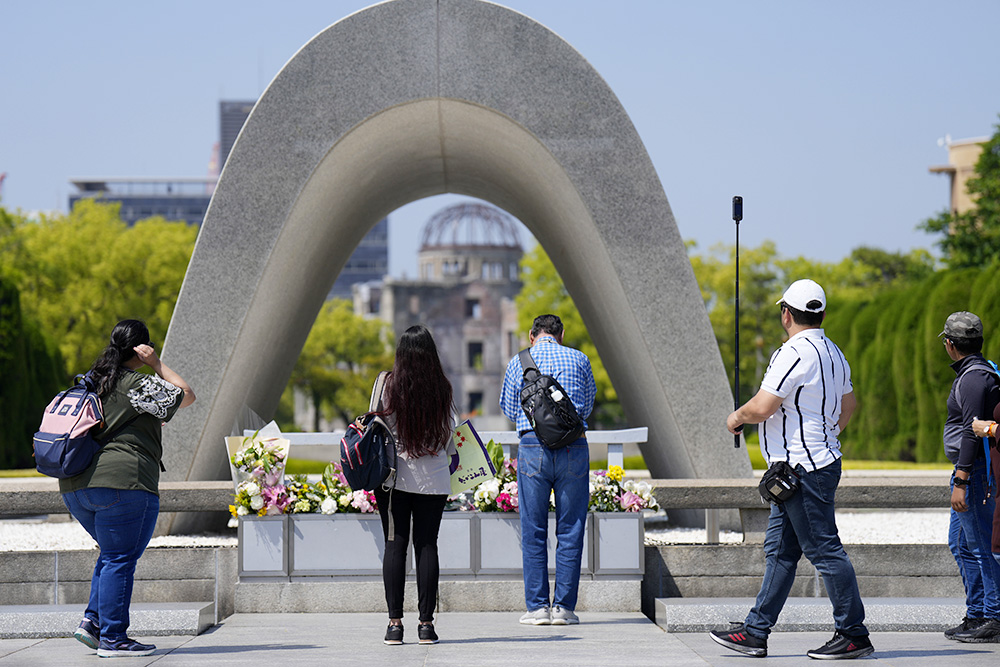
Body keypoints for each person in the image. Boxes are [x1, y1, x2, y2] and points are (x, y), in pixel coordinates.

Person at [709, 279, 874, 660]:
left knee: (824, 550)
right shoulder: (835, 352)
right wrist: (825, 437)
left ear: (786, 314)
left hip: (801, 470)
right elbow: (849, 406)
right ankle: (755, 631)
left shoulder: (793, 353)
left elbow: (763, 406)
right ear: (822, 314)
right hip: (817, 463)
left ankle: (853, 633)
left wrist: (736, 417)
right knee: (780, 552)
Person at [62, 320, 195, 658]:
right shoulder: (138, 383)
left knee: (111, 554)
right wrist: (156, 362)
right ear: (141, 347)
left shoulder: (93, 381)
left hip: (76, 485)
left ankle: (92, 622)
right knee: (120, 557)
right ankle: (114, 639)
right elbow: (187, 396)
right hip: (123, 484)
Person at [500, 314, 596, 626]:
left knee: (533, 529)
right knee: (571, 529)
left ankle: (538, 608)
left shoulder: (519, 362)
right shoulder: (579, 358)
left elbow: (508, 408)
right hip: (573, 448)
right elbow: (587, 404)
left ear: (532, 335)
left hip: (532, 448)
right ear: (561, 334)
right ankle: (564, 609)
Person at [374, 324, 456, 646]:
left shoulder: (387, 384)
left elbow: (375, 424)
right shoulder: (442, 389)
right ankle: (426, 625)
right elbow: (451, 435)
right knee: (427, 546)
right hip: (434, 479)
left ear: (401, 354)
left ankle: (395, 625)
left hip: (394, 479)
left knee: (395, 545)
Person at [938, 311, 1000, 643]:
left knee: (980, 547)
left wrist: (961, 480)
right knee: (961, 545)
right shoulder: (976, 373)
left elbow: (971, 432)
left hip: (973, 475)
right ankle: (977, 613)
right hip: (969, 473)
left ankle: (995, 616)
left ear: (950, 345)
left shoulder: (974, 377)